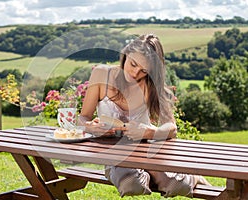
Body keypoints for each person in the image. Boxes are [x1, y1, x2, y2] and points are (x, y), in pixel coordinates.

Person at [77, 34, 210, 198]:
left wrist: (148, 132)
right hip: (114, 153)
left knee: (177, 185)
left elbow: (172, 128)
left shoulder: (151, 86)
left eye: (144, 71)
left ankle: (183, 176)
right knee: (131, 184)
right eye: (133, 64)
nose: (135, 73)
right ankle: (152, 176)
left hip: (147, 151)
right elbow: (83, 118)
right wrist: (90, 127)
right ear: (126, 55)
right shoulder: (101, 74)